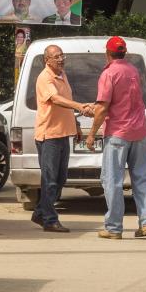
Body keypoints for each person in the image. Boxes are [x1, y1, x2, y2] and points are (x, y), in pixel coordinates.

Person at [86, 37, 146, 239]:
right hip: (140, 132)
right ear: (124, 52)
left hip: (118, 134)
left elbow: (104, 108)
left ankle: (114, 227)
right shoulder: (133, 71)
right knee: (141, 178)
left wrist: (91, 134)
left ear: (107, 53)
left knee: (112, 180)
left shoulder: (109, 73)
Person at [32, 45, 93, 233]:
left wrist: (75, 124)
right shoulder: (45, 77)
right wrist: (80, 107)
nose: (61, 59)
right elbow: (56, 99)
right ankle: (50, 220)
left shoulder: (62, 74)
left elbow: (64, 103)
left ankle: (40, 212)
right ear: (47, 60)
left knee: (60, 179)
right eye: (56, 57)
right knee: (50, 180)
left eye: (62, 56)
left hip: (63, 134)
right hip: (48, 136)